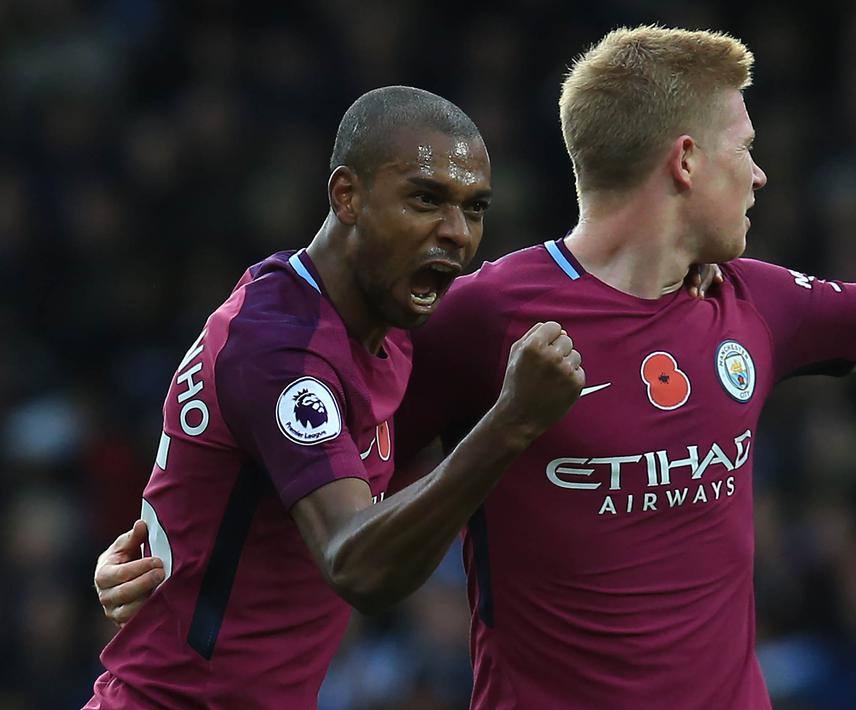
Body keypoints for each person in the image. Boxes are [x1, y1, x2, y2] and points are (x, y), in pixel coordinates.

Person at [96, 26, 856, 710]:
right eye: (744, 148)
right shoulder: (483, 322)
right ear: (686, 160)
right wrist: (174, 544)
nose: (761, 174)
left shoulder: (755, 304)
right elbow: (342, 501)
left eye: (466, 207)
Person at [85, 86, 587, 709]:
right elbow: (359, 565)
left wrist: (680, 270)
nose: (457, 233)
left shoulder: (389, 320)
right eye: (426, 198)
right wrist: (510, 424)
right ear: (346, 196)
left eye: (475, 207)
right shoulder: (279, 349)